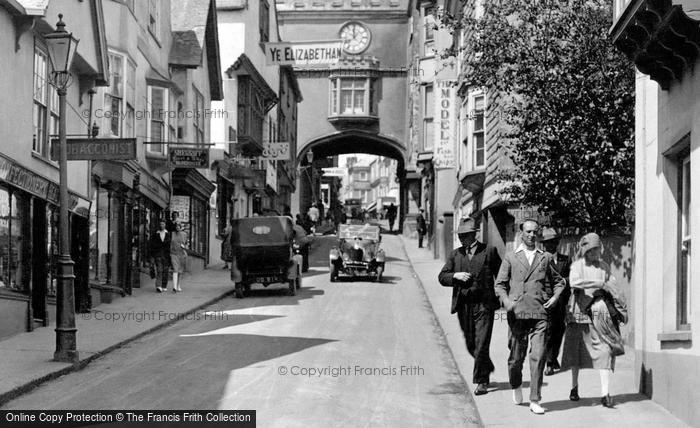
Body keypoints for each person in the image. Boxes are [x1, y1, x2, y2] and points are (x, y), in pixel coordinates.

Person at [494, 219, 566, 415]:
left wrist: (555, 298)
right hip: (517, 314)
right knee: (516, 358)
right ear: (521, 233)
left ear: (538, 234)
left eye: (535, 232)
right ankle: (516, 385)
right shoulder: (511, 257)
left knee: (538, 356)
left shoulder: (545, 257)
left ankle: (535, 399)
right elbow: (499, 284)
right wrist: (507, 302)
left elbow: (560, 282)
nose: (531, 235)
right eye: (528, 232)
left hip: (539, 314)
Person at [561, 232, 627, 408]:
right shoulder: (577, 266)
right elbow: (575, 283)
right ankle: (574, 387)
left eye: (597, 249)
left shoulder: (604, 266)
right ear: (585, 250)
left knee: (605, 350)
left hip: (599, 314)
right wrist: (598, 284)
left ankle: (605, 394)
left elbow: (612, 286)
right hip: (579, 314)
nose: (594, 253)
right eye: (591, 250)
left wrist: (620, 307)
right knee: (577, 352)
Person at [438, 218, 501, 396]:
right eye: (460, 236)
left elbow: (503, 275)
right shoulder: (455, 255)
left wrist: (504, 295)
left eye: (465, 236)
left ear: (474, 235)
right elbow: (442, 277)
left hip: (484, 305)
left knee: (481, 344)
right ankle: (486, 365)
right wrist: (455, 275)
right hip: (464, 305)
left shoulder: (489, 251)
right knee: (470, 343)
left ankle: (481, 381)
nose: (462, 239)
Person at [540, 227, 572, 376]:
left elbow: (571, 279)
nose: (550, 245)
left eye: (552, 242)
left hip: (561, 302)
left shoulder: (566, 260)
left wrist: (562, 281)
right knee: (548, 331)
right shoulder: (539, 260)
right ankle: (549, 362)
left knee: (559, 331)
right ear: (543, 245)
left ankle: (553, 356)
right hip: (545, 302)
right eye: (547, 243)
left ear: (557, 243)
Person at [149, 220, 171, 293]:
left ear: (165, 225)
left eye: (163, 224)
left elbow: (170, 245)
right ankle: (158, 285)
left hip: (166, 255)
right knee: (159, 270)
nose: (161, 225)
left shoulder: (168, 234)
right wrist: (152, 255)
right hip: (158, 254)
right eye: (160, 224)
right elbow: (152, 244)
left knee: (165, 270)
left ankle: (164, 285)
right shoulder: (156, 234)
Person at [169, 222, 188, 293]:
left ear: (180, 227)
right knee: (175, 269)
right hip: (174, 254)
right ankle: (174, 287)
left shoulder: (184, 234)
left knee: (180, 271)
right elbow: (170, 243)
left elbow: (185, 244)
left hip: (181, 254)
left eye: (179, 226)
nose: (177, 228)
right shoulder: (172, 234)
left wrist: (184, 249)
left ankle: (178, 285)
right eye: (176, 226)